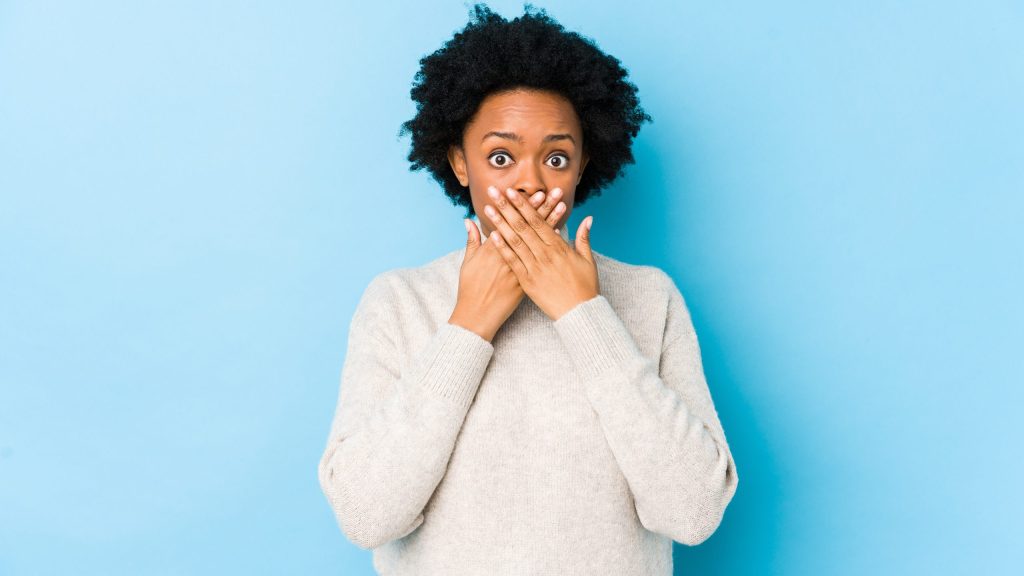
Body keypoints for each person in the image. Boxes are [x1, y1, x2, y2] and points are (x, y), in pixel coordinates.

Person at [318, 4, 738, 574]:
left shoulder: (647, 297)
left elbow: (692, 513)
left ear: (584, 164)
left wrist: (584, 313)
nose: (529, 182)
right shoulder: (400, 302)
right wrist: (468, 325)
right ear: (459, 162)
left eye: (557, 157)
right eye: (500, 156)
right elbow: (366, 515)